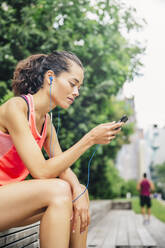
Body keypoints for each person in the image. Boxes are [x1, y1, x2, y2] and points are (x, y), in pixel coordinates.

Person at [0, 51, 123, 248]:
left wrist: (79, 192)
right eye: (72, 84)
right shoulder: (16, 109)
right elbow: (41, 171)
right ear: (50, 77)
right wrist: (90, 139)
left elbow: (62, 169)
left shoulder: (46, 123)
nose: (77, 92)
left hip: (7, 202)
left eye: (79, 87)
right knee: (59, 190)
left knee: (78, 192)